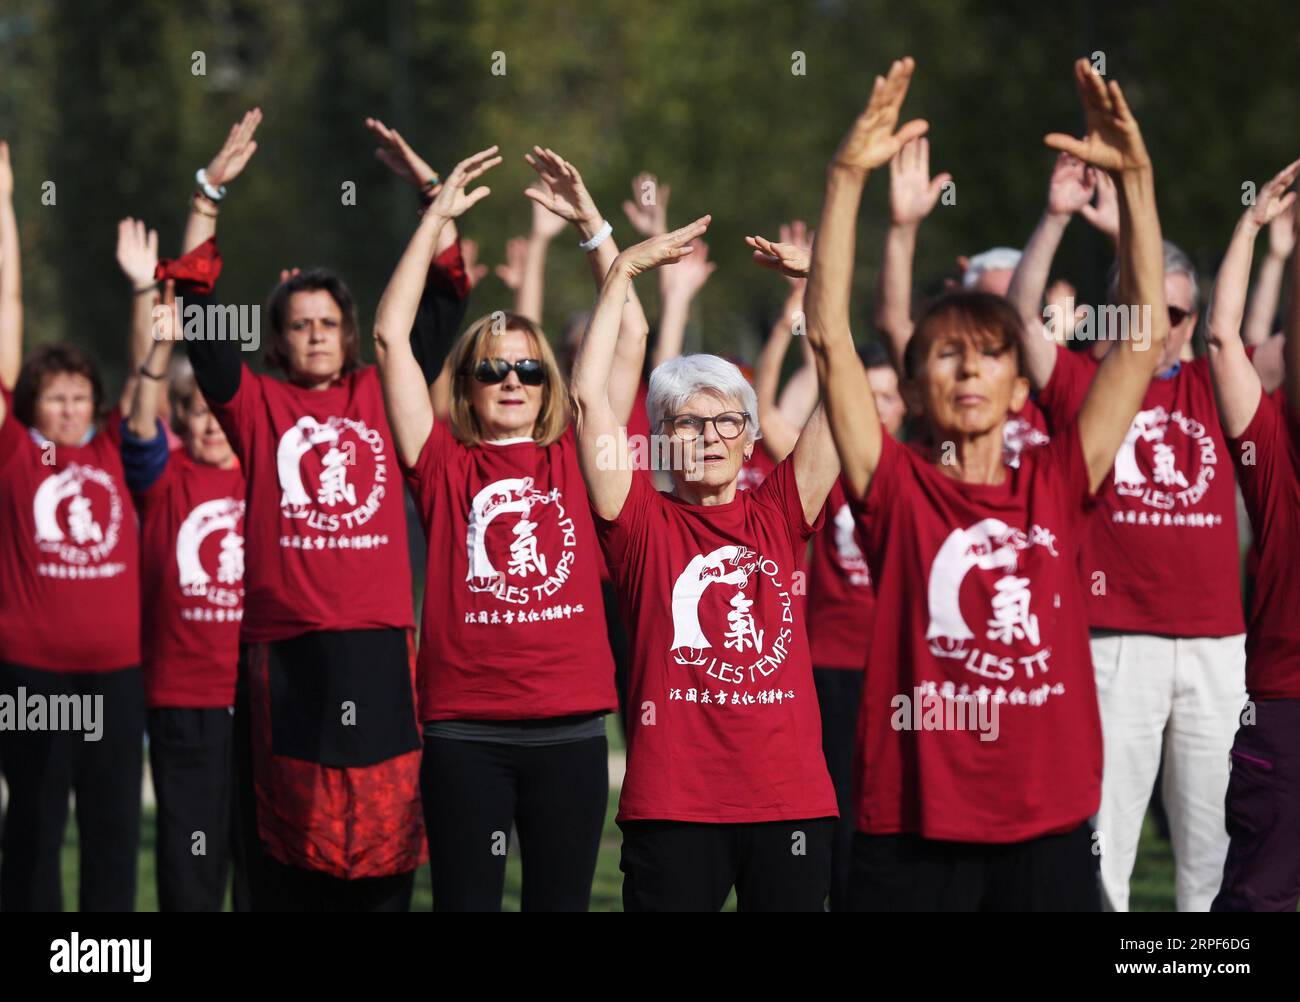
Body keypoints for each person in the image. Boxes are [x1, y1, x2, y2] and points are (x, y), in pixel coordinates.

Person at [807, 56, 1168, 911]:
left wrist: (1141, 183)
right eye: (946, 353)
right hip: (911, 835)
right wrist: (845, 177)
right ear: (917, 379)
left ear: (1021, 385)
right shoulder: (894, 488)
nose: (969, 369)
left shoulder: (1057, 477)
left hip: (1045, 831)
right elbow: (827, 336)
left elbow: (1143, 340)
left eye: (992, 354)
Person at [183, 110, 465, 911]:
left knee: (382, 837)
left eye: (329, 324)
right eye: (300, 325)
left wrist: (431, 194)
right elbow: (200, 327)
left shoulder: (383, 391)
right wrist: (208, 198)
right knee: (286, 845)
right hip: (284, 648)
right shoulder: (256, 405)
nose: (316, 335)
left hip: (378, 641)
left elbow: (442, 302)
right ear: (276, 340)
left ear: (350, 336)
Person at [1004, 123, 1285, 917]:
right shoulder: (1089, 386)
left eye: (1178, 312)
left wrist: (1266, 243)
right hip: (1112, 642)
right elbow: (1022, 319)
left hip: (1216, 651)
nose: (1164, 323)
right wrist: (1058, 217)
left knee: (1215, 854)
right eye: (1145, 306)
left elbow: (1263, 340)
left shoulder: (1211, 385)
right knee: (1104, 849)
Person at [373, 145, 649, 911]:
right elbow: (392, 339)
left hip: (570, 734)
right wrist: (433, 220)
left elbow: (630, 338)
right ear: (464, 383)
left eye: (528, 369)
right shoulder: (441, 462)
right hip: (465, 734)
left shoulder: (577, 453)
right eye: (493, 369)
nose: (512, 382)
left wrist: (595, 223)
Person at [571, 205, 840, 911]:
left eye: (729, 421)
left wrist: (822, 288)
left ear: (752, 438)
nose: (712, 436)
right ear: (660, 439)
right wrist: (622, 267)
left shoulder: (781, 513)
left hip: (789, 804)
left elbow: (844, 401)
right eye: (689, 423)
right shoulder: (637, 524)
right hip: (674, 807)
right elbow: (587, 397)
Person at [0, 139, 145, 911]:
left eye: (79, 396)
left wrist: (142, 288)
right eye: (53, 397)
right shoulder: (18, 457)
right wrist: (3, 200)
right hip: (33, 675)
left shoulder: (120, 448)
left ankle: (104, 961)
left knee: (115, 830)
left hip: (118, 676)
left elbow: (144, 360)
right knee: (34, 825)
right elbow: (7, 313)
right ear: (31, 405)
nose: (69, 408)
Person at [747, 232, 906, 911]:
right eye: (864, 396)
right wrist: (801, 309)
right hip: (836, 664)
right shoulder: (828, 469)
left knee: (906, 805)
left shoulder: (921, 467)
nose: (877, 407)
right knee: (840, 801)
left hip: (908, 663)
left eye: (889, 396)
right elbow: (767, 414)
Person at [115, 214, 246, 912]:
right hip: (183, 703)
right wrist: (148, 305)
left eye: (213, 409)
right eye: (191, 411)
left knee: (263, 862)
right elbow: (143, 414)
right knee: (188, 866)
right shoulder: (165, 478)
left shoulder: (266, 472)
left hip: (262, 702)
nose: (206, 422)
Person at [1202, 161, 1300, 911]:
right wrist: (1253, 228)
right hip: (1286, 712)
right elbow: (1220, 337)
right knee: (1255, 907)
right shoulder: (1271, 451)